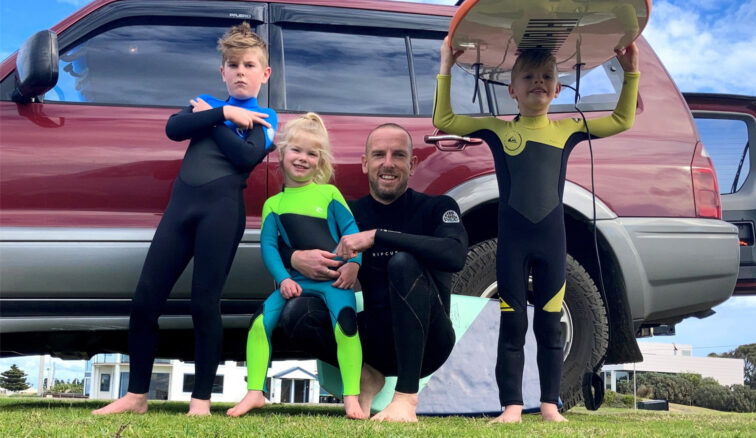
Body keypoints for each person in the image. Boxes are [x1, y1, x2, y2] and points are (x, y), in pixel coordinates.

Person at [433, 37, 640, 423]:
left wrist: (630, 73)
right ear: (512, 89)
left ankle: (549, 405)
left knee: (549, 325)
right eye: (528, 76)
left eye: (547, 76)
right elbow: (444, 121)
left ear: (558, 88)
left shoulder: (567, 129)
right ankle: (511, 406)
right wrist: (446, 65)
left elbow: (621, 120)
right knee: (512, 324)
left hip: (551, 242)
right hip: (512, 244)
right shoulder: (496, 130)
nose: (538, 82)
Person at [92, 22, 277, 416]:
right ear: (222, 72)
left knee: (203, 305)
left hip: (222, 215)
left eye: (248, 64)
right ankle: (136, 396)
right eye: (232, 64)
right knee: (144, 301)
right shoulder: (206, 101)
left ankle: (201, 401)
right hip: (180, 211)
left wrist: (211, 118)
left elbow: (245, 158)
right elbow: (174, 128)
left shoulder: (265, 117)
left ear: (265, 73)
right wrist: (223, 112)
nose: (240, 71)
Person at [276, 123, 468, 422]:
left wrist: (378, 236)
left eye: (398, 155)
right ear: (366, 163)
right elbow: (281, 241)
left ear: (412, 164)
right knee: (296, 313)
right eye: (379, 155)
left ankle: (405, 398)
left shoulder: (437, 207)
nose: (388, 163)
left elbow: (455, 255)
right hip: (372, 341)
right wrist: (295, 257)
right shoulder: (347, 213)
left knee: (403, 263)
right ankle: (367, 373)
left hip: (430, 342)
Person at [227, 113, 365, 419]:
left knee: (345, 325)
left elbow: (352, 231)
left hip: (335, 281)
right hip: (296, 281)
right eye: (296, 150)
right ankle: (254, 392)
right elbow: (269, 246)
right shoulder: (273, 205)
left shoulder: (329, 193)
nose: (303, 159)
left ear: (321, 160)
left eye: (311, 154)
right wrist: (282, 279)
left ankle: (352, 397)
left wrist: (353, 265)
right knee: (259, 323)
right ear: (281, 153)